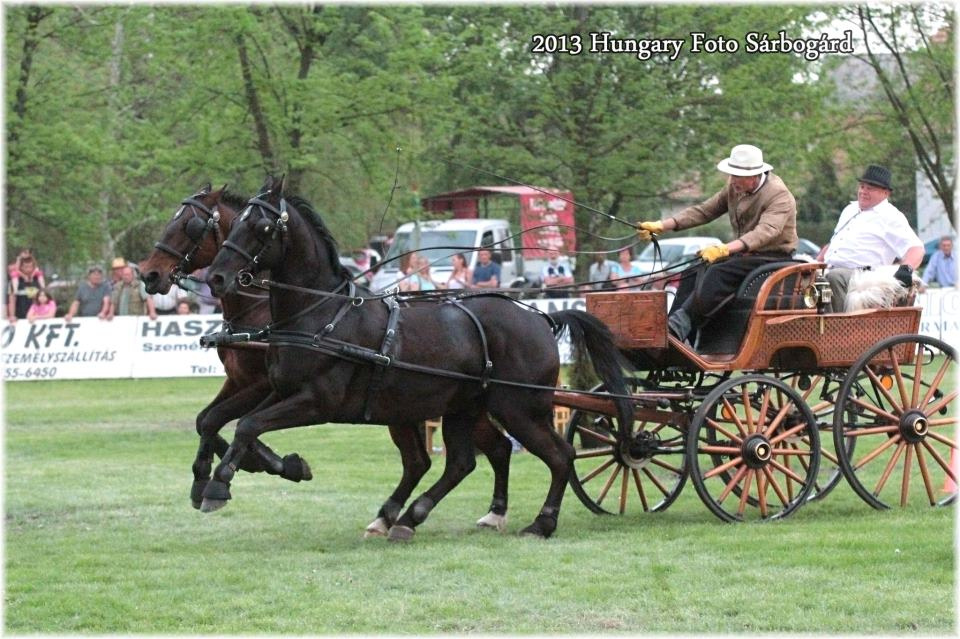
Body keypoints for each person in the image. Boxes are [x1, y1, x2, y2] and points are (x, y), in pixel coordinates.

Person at [636, 144, 798, 344]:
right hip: (743, 255)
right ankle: (677, 332)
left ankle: (679, 327)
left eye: (737, 176)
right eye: (732, 174)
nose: (732, 180)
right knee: (693, 271)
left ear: (755, 175)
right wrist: (662, 225)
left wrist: (724, 249)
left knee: (717, 273)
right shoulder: (734, 188)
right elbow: (704, 211)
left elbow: (764, 233)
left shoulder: (778, 195)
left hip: (771, 257)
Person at [817, 165, 924, 312]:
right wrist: (815, 262)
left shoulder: (890, 216)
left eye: (870, 188)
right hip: (831, 271)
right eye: (862, 186)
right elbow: (835, 242)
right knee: (798, 277)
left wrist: (906, 269)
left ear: (885, 193)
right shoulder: (850, 209)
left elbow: (916, 248)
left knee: (834, 278)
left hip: (862, 278)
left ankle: (838, 329)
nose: (863, 192)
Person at [7, 252, 46, 322]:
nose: (29, 269)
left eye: (31, 266)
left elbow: (38, 300)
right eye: (26, 267)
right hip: (19, 317)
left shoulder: (36, 280)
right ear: (21, 267)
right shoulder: (14, 281)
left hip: (35, 318)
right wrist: (12, 316)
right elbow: (12, 301)